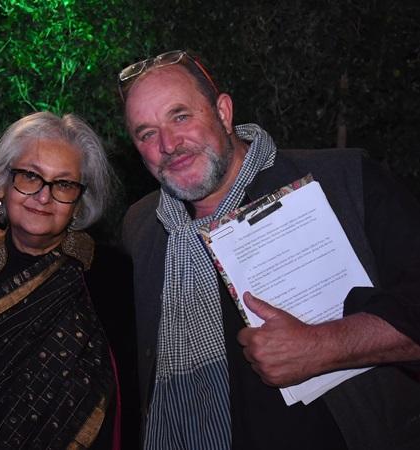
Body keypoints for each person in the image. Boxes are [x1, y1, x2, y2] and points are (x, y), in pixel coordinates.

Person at [118, 50, 420, 449]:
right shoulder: (142, 227)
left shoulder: (344, 182)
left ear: (223, 112)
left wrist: (326, 346)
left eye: (180, 116)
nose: (169, 144)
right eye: (146, 133)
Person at [0, 112, 140, 449]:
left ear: (79, 201)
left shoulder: (112, 277)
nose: (44, 196)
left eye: (64, 184)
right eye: (30, 176)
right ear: (2, 185)